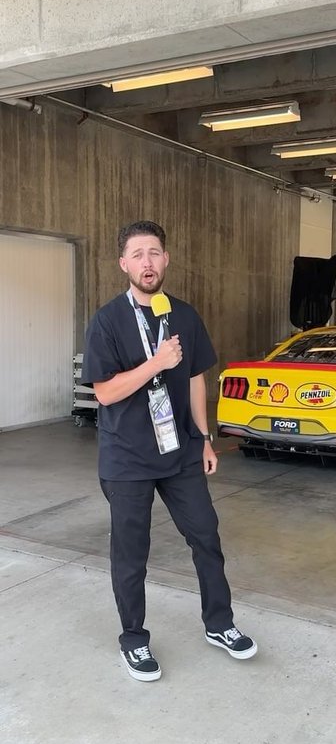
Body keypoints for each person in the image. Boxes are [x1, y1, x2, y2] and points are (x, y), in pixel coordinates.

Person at [82, 220, 257, 681]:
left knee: (206, 537)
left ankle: (219, 624)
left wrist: (204, 437)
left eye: (155, 253)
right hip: (127, 458)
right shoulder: (107, 320)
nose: (147, 262)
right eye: (137, 254)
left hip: (180, 452)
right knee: (130, 553)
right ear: (124, 264)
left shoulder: (184, 315)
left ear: (166, 260)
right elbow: (104, 392)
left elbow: (197, 378)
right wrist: (156, 363)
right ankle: (134, 640)